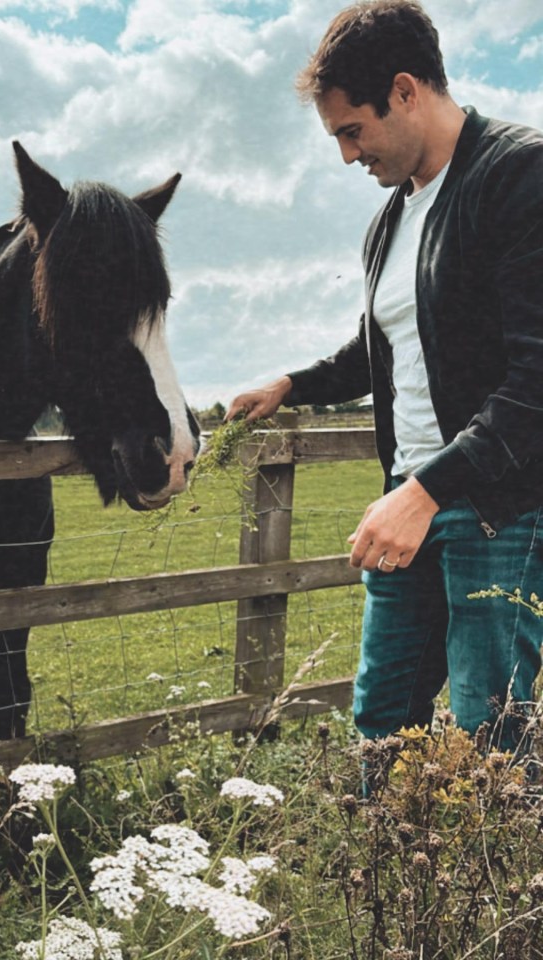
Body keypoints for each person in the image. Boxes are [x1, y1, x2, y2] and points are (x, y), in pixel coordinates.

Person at [226, 0, 543, 756]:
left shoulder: (520, 174)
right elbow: (387, 347)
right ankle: (388, 874)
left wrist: (427, 490)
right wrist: (292, 385)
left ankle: (491, 878)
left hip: (497, 505)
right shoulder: (390, 220)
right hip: (410, 499)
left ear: (405, 91)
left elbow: (537, 374)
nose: (346, 156)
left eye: (351, 131)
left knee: (487, 733)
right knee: (383, 722)